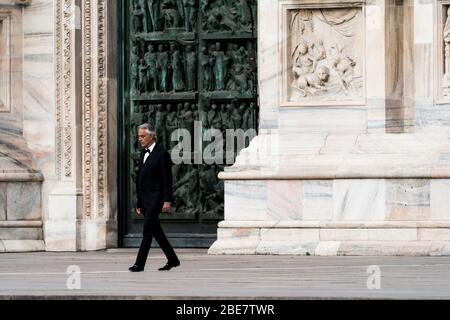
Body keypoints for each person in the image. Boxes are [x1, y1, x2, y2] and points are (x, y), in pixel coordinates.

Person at [129, 123, 180, 272]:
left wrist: (167, 200)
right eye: (139, 136)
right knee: (156, 232)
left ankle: (139, 264)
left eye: (143, 136)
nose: (140, 139)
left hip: (155, 200)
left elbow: (167, 179)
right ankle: (173, 259)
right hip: (144, 200)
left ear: (152, 136)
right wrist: (138, 202)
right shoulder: (142, 153)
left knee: (147, 233)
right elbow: (140, 180)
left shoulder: (161, 153)